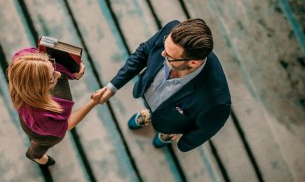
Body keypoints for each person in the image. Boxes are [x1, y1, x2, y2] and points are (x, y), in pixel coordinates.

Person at [96, 19, 231, 152]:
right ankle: (148, 113)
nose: (162, 53)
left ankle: (166, 134)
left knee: (168, 126)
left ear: (193, 63)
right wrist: (113, 86)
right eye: (165, 44)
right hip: (149, 92)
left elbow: (203, 132)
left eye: (169, 56)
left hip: (171, 124)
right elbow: (143, 53)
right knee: (149, 106)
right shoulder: (171, 32)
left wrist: (182, 140)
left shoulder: (216, 103)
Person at [7, 48, 104, 166]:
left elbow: (43, 50)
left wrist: (73, 67)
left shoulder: (22, 59)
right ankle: (34, 155)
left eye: (52, 65)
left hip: (26, 119)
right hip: (42, 133)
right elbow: (67, 124)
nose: (58, 74)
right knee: (41, 143)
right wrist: (93, 102)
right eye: (52, 77)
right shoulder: (46, 115)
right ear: (39, 88)